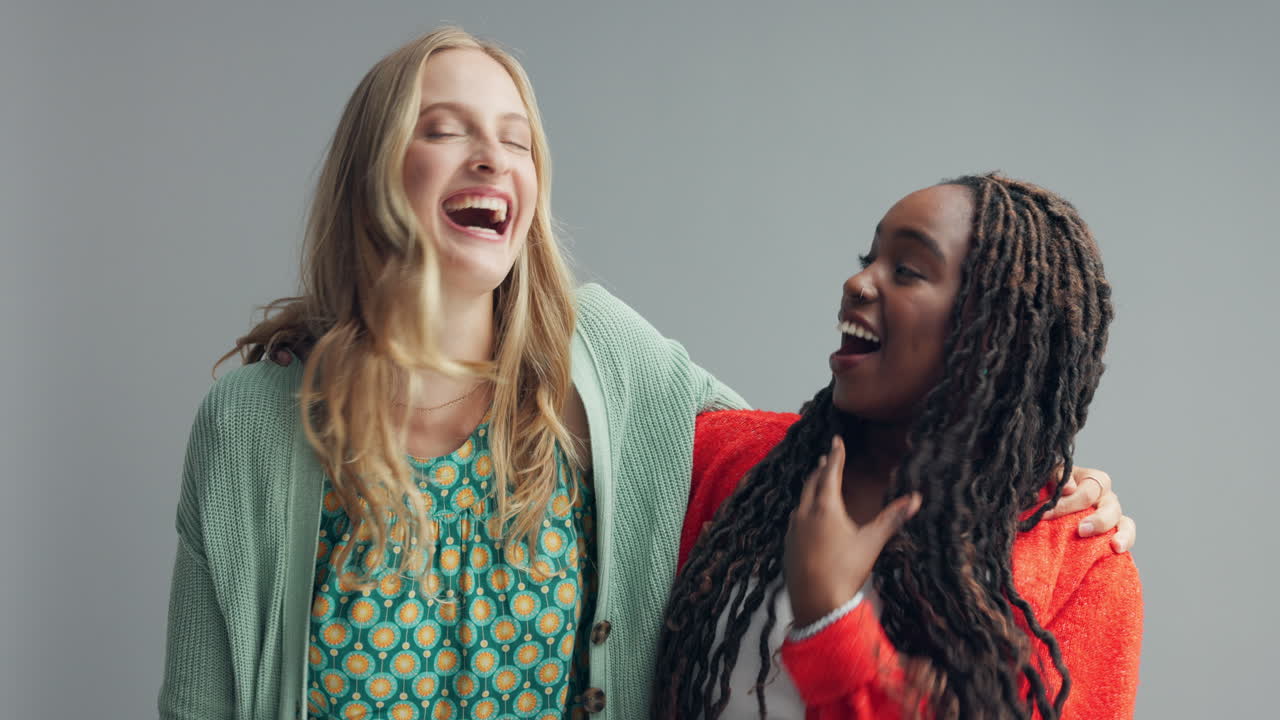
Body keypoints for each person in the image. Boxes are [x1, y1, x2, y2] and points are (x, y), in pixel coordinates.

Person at [158, 26, 1133, 720]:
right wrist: (328, 342)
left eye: (514, 137)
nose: (490, 156)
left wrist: (1045, 480)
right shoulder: (254, 426)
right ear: (374, 166)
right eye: (443, 127)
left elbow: (807, 462)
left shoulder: (596, 362)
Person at [657, 174, 1141, 719]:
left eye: (907, 270)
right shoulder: (730, 458)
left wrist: (834, 626)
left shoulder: (1081, 568)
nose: (858, 282)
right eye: (870, 257)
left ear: (995, 334)